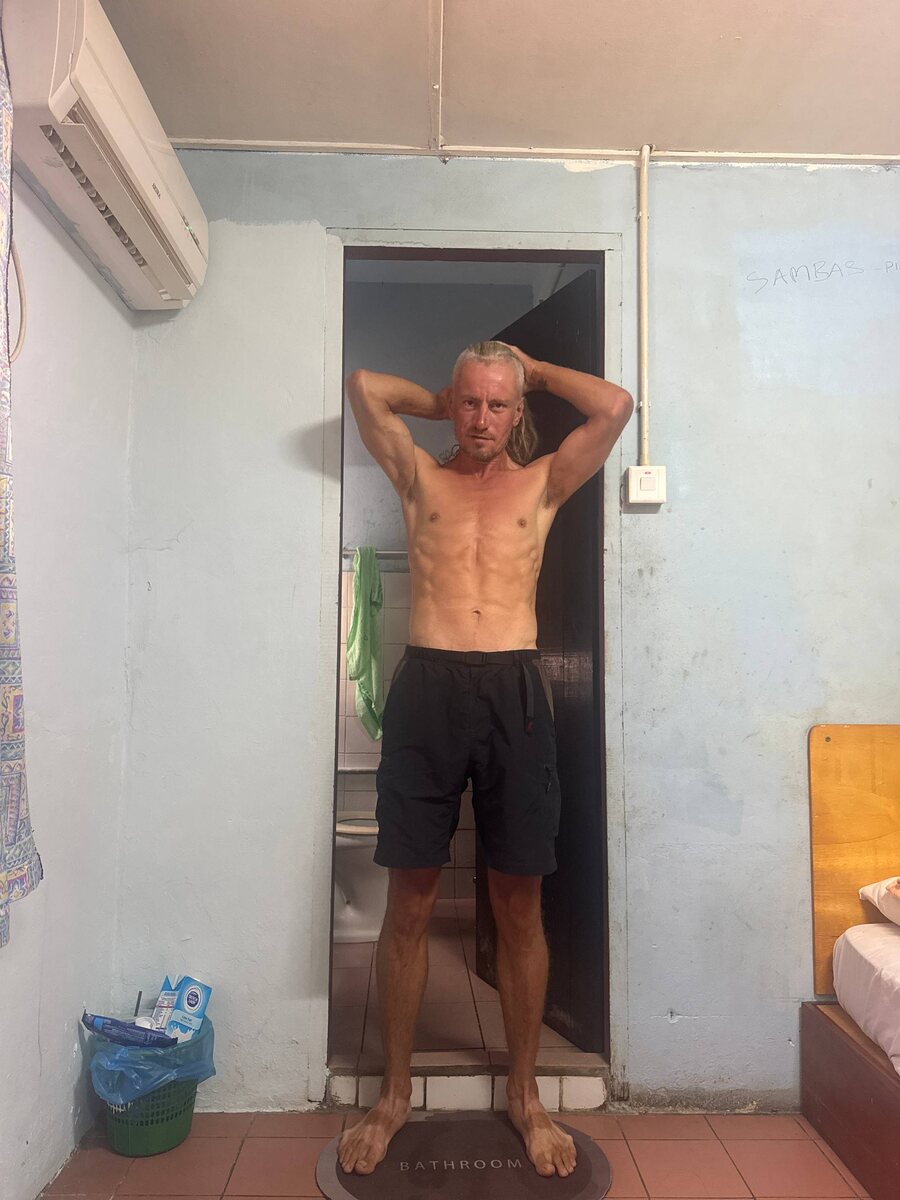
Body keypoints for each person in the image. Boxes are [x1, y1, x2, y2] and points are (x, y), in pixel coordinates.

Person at [337, 340, 632, 1179]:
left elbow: (614, 407)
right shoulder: (418, 478)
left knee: (518, 904)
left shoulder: (542, 484)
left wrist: (532, 370)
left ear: (518, 409)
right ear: (453, 399)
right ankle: (394, 1094)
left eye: (499, 404)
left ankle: (526, 1095)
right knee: (410, 901)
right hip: (428, 689)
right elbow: (364, 385)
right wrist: (439, 398)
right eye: (469, 402)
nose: (481, 419)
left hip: (514, 692)